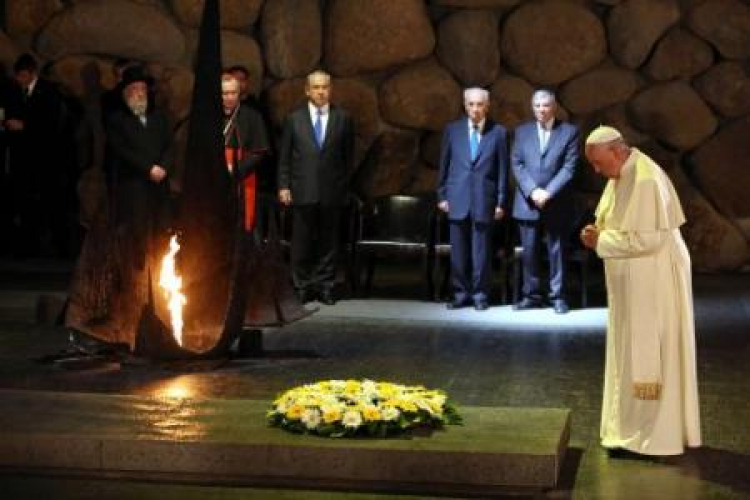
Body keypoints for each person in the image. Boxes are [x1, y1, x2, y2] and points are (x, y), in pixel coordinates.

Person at [581, 125, 701, 456]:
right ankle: (630, 431)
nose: (596, 170)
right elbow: (614, 222)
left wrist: (600, 240)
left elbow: (649, 239)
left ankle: (655, 437)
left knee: (654, 353)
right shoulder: (623, 174)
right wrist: (598, 232)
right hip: (635, 278)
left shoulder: (645, 179)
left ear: (618, 152)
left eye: (598, 162)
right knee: (629, 352)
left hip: (655, 277)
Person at [278, 70, 354, 305]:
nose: (321, 92)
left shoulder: (343, 118)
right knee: (301, 241)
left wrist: (342, 186)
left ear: (331, 89)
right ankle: (301, 285)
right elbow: (285, 156)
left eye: (325, 87)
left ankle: (325, 285)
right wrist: (283, 185)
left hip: (332, 190)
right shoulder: (294, 119)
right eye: (317, 87)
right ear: (307, 90)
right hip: (302, 189)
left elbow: (348, 157)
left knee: (329, 241)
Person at [437, 87, 508, 311]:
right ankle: (460, 293)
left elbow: (502, 170)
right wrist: (442, 194)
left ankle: (480, 295)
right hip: (457, 198)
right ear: (465, 105)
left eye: (479, 104)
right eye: (471, 104)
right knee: (458, 251)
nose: (475, 109)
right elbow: (445, 164)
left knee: (482, 252)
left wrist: (500, 201)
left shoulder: (498, 132)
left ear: (487, 106)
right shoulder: (452, 130)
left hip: (484, 199)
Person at [510, 89, 579, 314]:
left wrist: (547, 193)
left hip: (556, 202)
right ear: (532, 107)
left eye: (546, 105)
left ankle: (557, 296)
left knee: (556, 251)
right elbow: (517, 164)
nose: (541, 109)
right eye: (537, 106)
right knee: (529, 251)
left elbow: (569, 168)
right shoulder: (521, 132)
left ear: (554, 107)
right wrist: (532, 191)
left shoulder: (569, 132)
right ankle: (531, 295)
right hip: (527, 202)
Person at [105, 65, 173, 271]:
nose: (139, 93)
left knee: (161, 228)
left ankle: (161, 271)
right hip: (133, 183)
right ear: (126, 93)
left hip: (159, 183)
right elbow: (121, 150)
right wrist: (148, 168)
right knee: (136, 231)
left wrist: (163, 167)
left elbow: (171, 145)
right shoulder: (117, 119)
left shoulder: (159, 117)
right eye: (134, 89)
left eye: (142, 89)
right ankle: (136, 273)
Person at [4, 53, 70, 258]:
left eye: (23, 76)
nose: (20, 80)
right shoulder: (15, 92)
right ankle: (28, 245)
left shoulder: (49, 92)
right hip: (22, 158)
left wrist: (25, 125)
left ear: (32, 74)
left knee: (49, 201)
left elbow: (52, 124)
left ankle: (57, 245)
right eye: (18, 77)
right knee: (26, 202)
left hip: (45, 159)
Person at [221, 72, 269, 234]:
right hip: (213, 177)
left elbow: (259, 151)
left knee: (240, 226)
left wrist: (235, 170)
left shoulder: (252, 116)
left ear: (239, 93)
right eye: (225, 93)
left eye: (233, 93)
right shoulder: (210, 116)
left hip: (242, 176)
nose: (229, 97)